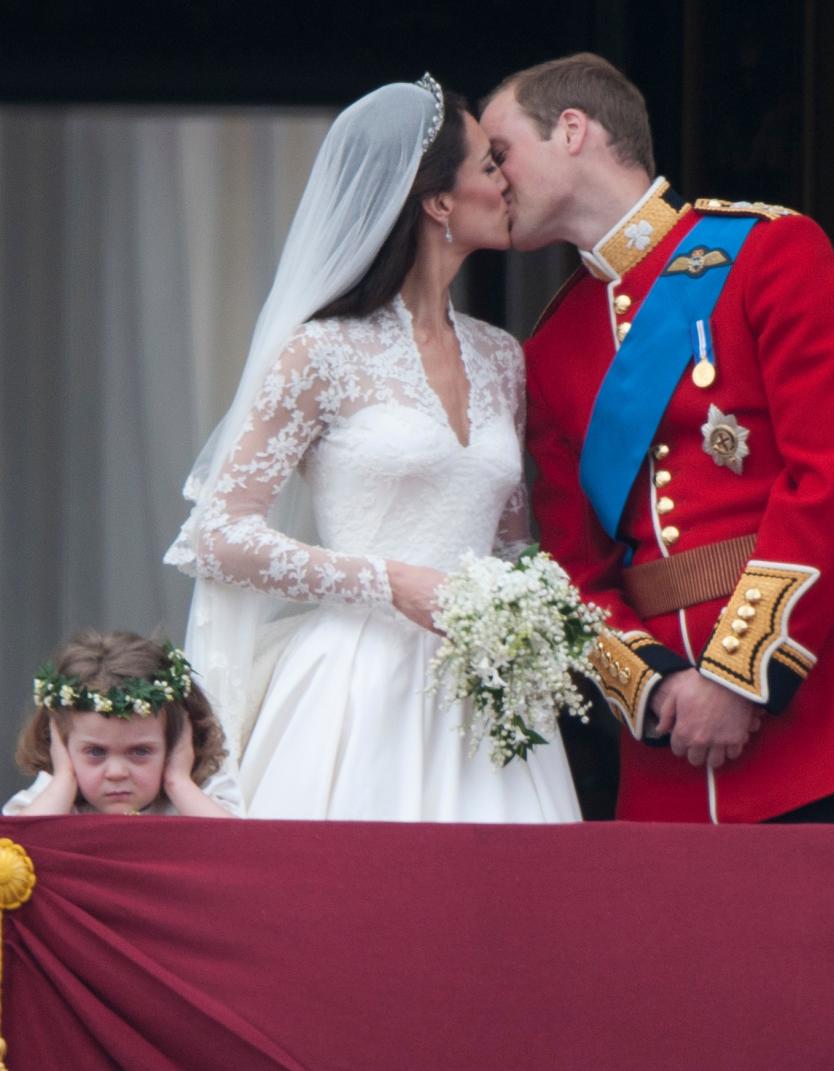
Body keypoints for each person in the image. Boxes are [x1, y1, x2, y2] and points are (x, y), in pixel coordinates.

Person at [480, 53, 834, 824]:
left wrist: (738, 677)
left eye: (500, 154)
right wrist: (660, 685)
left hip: (815, 718)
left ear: (572, 130)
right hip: (668, 754)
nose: (492, 180)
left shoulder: (770, 253)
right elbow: (573, 565)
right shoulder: (553, 345)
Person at [164, 75, 581, 822]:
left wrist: (532, 616)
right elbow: (219, 536)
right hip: (356, 690)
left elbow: (511, 544)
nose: (507, 181)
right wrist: (387, 581)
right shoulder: (319, 353)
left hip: (488, 700)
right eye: (490, 165)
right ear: (438, 201)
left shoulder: (500, 356)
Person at [5, 629, 241, 816]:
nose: (116, 773)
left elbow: (242, 849)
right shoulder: (52, 797)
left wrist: (178, 782)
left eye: (140, 751)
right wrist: (64, 780)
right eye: (96, 751)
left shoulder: (199, 797)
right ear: (60, 746)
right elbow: (13, 851)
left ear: (177, 744)